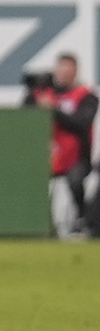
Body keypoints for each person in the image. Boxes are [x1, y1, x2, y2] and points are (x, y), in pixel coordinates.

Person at [27, 54, 98, 236]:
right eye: (61, 70)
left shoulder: (86, 96)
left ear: (75, 72)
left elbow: (81, 123)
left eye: (68, 70)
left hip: (76, 158)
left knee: (75, 180)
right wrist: (34, 93)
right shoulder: (44, 94)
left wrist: (54, 110)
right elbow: (24, 116)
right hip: (47, 155)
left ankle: (81, 217)